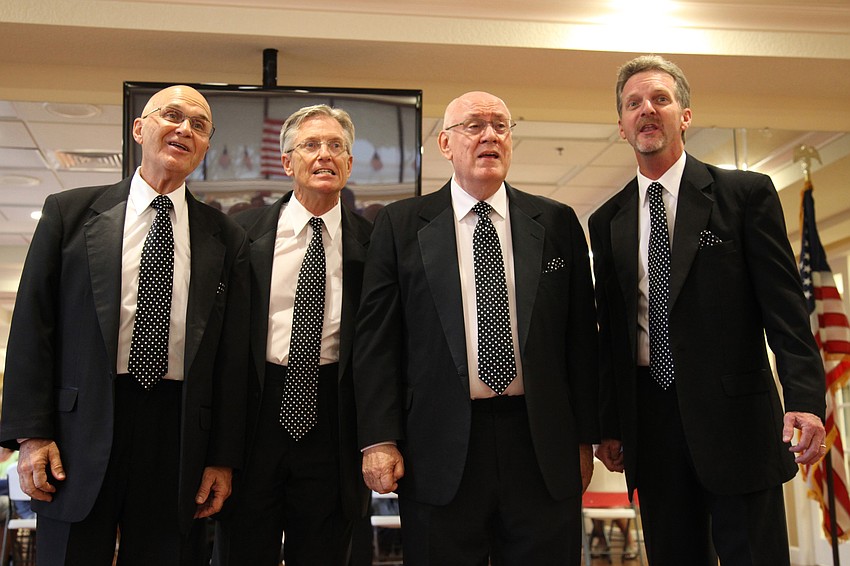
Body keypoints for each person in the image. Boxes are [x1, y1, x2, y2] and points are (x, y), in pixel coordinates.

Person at [589, 55, 827, 566]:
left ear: (685, 115)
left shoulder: (744, 195)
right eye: (633, 104)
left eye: (660, 99)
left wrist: (806, 401)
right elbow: (612, 333)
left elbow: (786, 312)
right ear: (621, 125)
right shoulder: (606, 220)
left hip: (738, 425)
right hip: (651, 430)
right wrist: (609, 423)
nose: (646, 110)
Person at [0, 85, 250, 566]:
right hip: (78, 431)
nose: (185, 129)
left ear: (205, 146)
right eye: (172, 115)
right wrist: (31, 435)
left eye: (199, 125)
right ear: (139, 129)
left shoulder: (227, 237)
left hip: (178, 437)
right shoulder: (69, 214)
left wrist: (222, 456)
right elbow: (33, 328)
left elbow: (231, 356)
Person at [354, 91, 599, 565]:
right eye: (474, 125)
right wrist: (379, 439)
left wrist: (585, 437)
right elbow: (377, 342)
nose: (490, 135)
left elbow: (580, 339)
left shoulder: (556, 222)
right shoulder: (400, 226)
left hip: (541, 445)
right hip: (437, 445)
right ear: (445, 143)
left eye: (500, 125)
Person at [212, 104, 371, 566]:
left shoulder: (376, 242)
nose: (325, 155)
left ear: (349, 163)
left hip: (334, 421)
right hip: (255, 415)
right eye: (311, 145)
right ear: (287, 162)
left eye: (336, 146)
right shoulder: (240, 234)